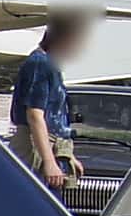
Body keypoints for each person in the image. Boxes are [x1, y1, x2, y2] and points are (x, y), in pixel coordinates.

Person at [10, 14, 86, 194]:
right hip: (35, 145)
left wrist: (68, 156)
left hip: (51, 145)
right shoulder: (40, 63)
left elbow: (55, 118)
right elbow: (35, 115)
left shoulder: (50, 64)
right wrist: (49, 161)